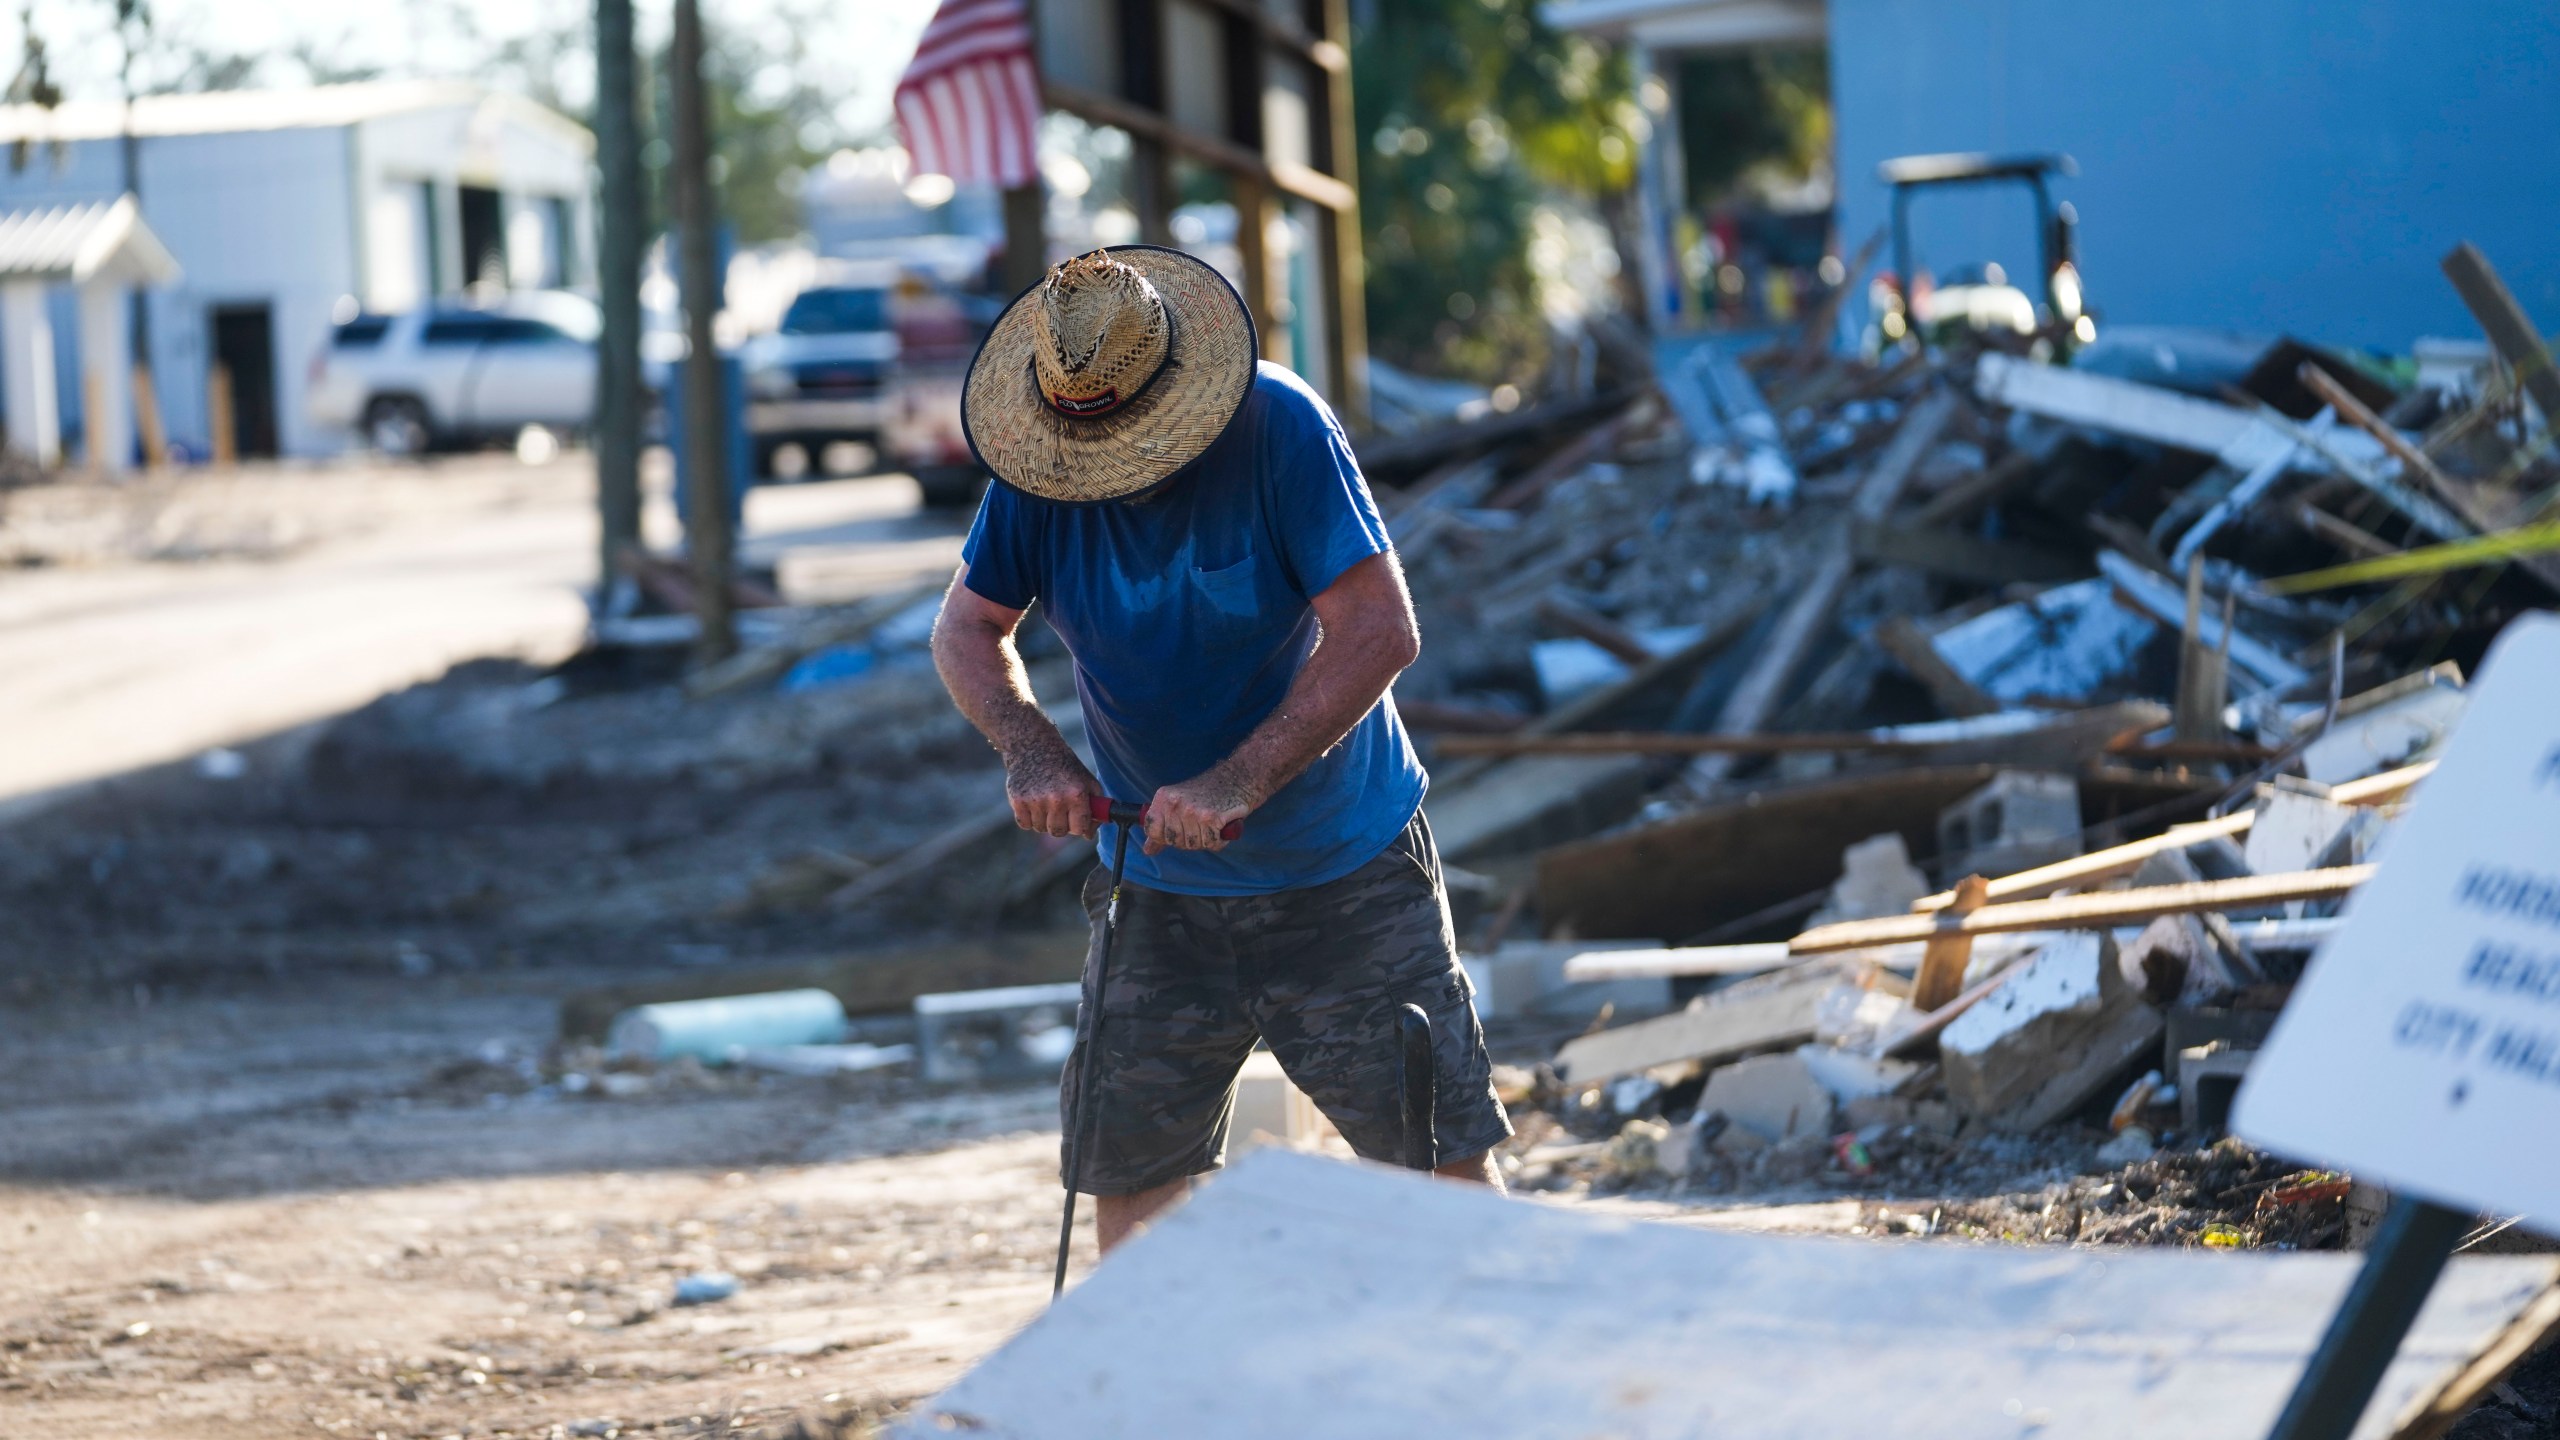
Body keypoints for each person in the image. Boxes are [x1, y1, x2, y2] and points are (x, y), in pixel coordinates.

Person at [931, 247, 1510, 1253]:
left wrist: (1236, 779)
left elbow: (1380, 630)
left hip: (1344, 867)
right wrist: (1031, 749)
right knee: (1131, 1176)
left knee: (1438, 1163)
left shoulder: (1279, 426)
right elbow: (964, 630)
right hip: (1156, 886)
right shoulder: (1037, 464)